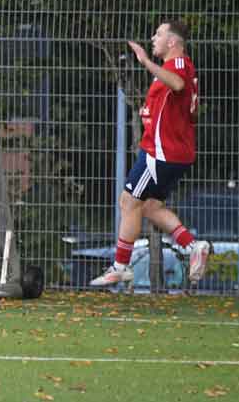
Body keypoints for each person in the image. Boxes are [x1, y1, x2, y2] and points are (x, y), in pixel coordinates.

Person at [91, 21, 210, 287]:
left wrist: (145, 61)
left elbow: (177, 84)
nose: (153, 37)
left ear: (172, 42)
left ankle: (120, 266)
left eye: (158, 34)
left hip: (161, 152)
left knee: (128, 202)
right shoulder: (176, 67)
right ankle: (193, 246)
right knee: (149, 207)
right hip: (173, 153)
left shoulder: (177, 65)